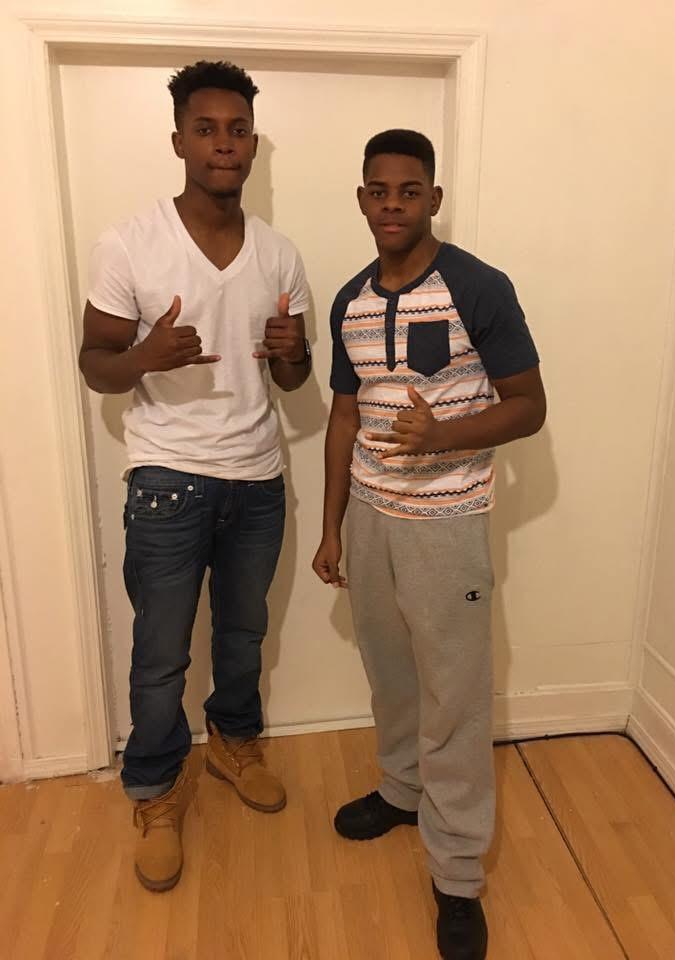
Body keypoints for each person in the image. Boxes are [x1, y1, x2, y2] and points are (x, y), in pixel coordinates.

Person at [312, 129, 546, 960]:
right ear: (362, 199)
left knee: (455, 697)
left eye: (409, 191)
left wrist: (443, 435)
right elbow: (344, 416)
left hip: (447, 523)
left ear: (433, 198)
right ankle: (403, 792)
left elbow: (528, 405)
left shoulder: (479, 286)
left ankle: (457, 876)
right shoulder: (349, 300)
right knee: (392, 676)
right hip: (371, 520)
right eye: (378, 191)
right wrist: (333, 523)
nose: (392, 205)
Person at [79, 60, 312, 892]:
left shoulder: (280, 253)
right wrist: (145, 355)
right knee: (160, 653)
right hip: (167, 481)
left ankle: (234, 744)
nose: (224, 144)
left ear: (253, 143)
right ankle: (154, 789)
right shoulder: (130, 243)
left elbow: (293, 380)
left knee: (243, 634)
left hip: (257, 480)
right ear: (178, 140)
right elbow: (94, 362)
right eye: (206, 129)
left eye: (238, 130)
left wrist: (293, 354)